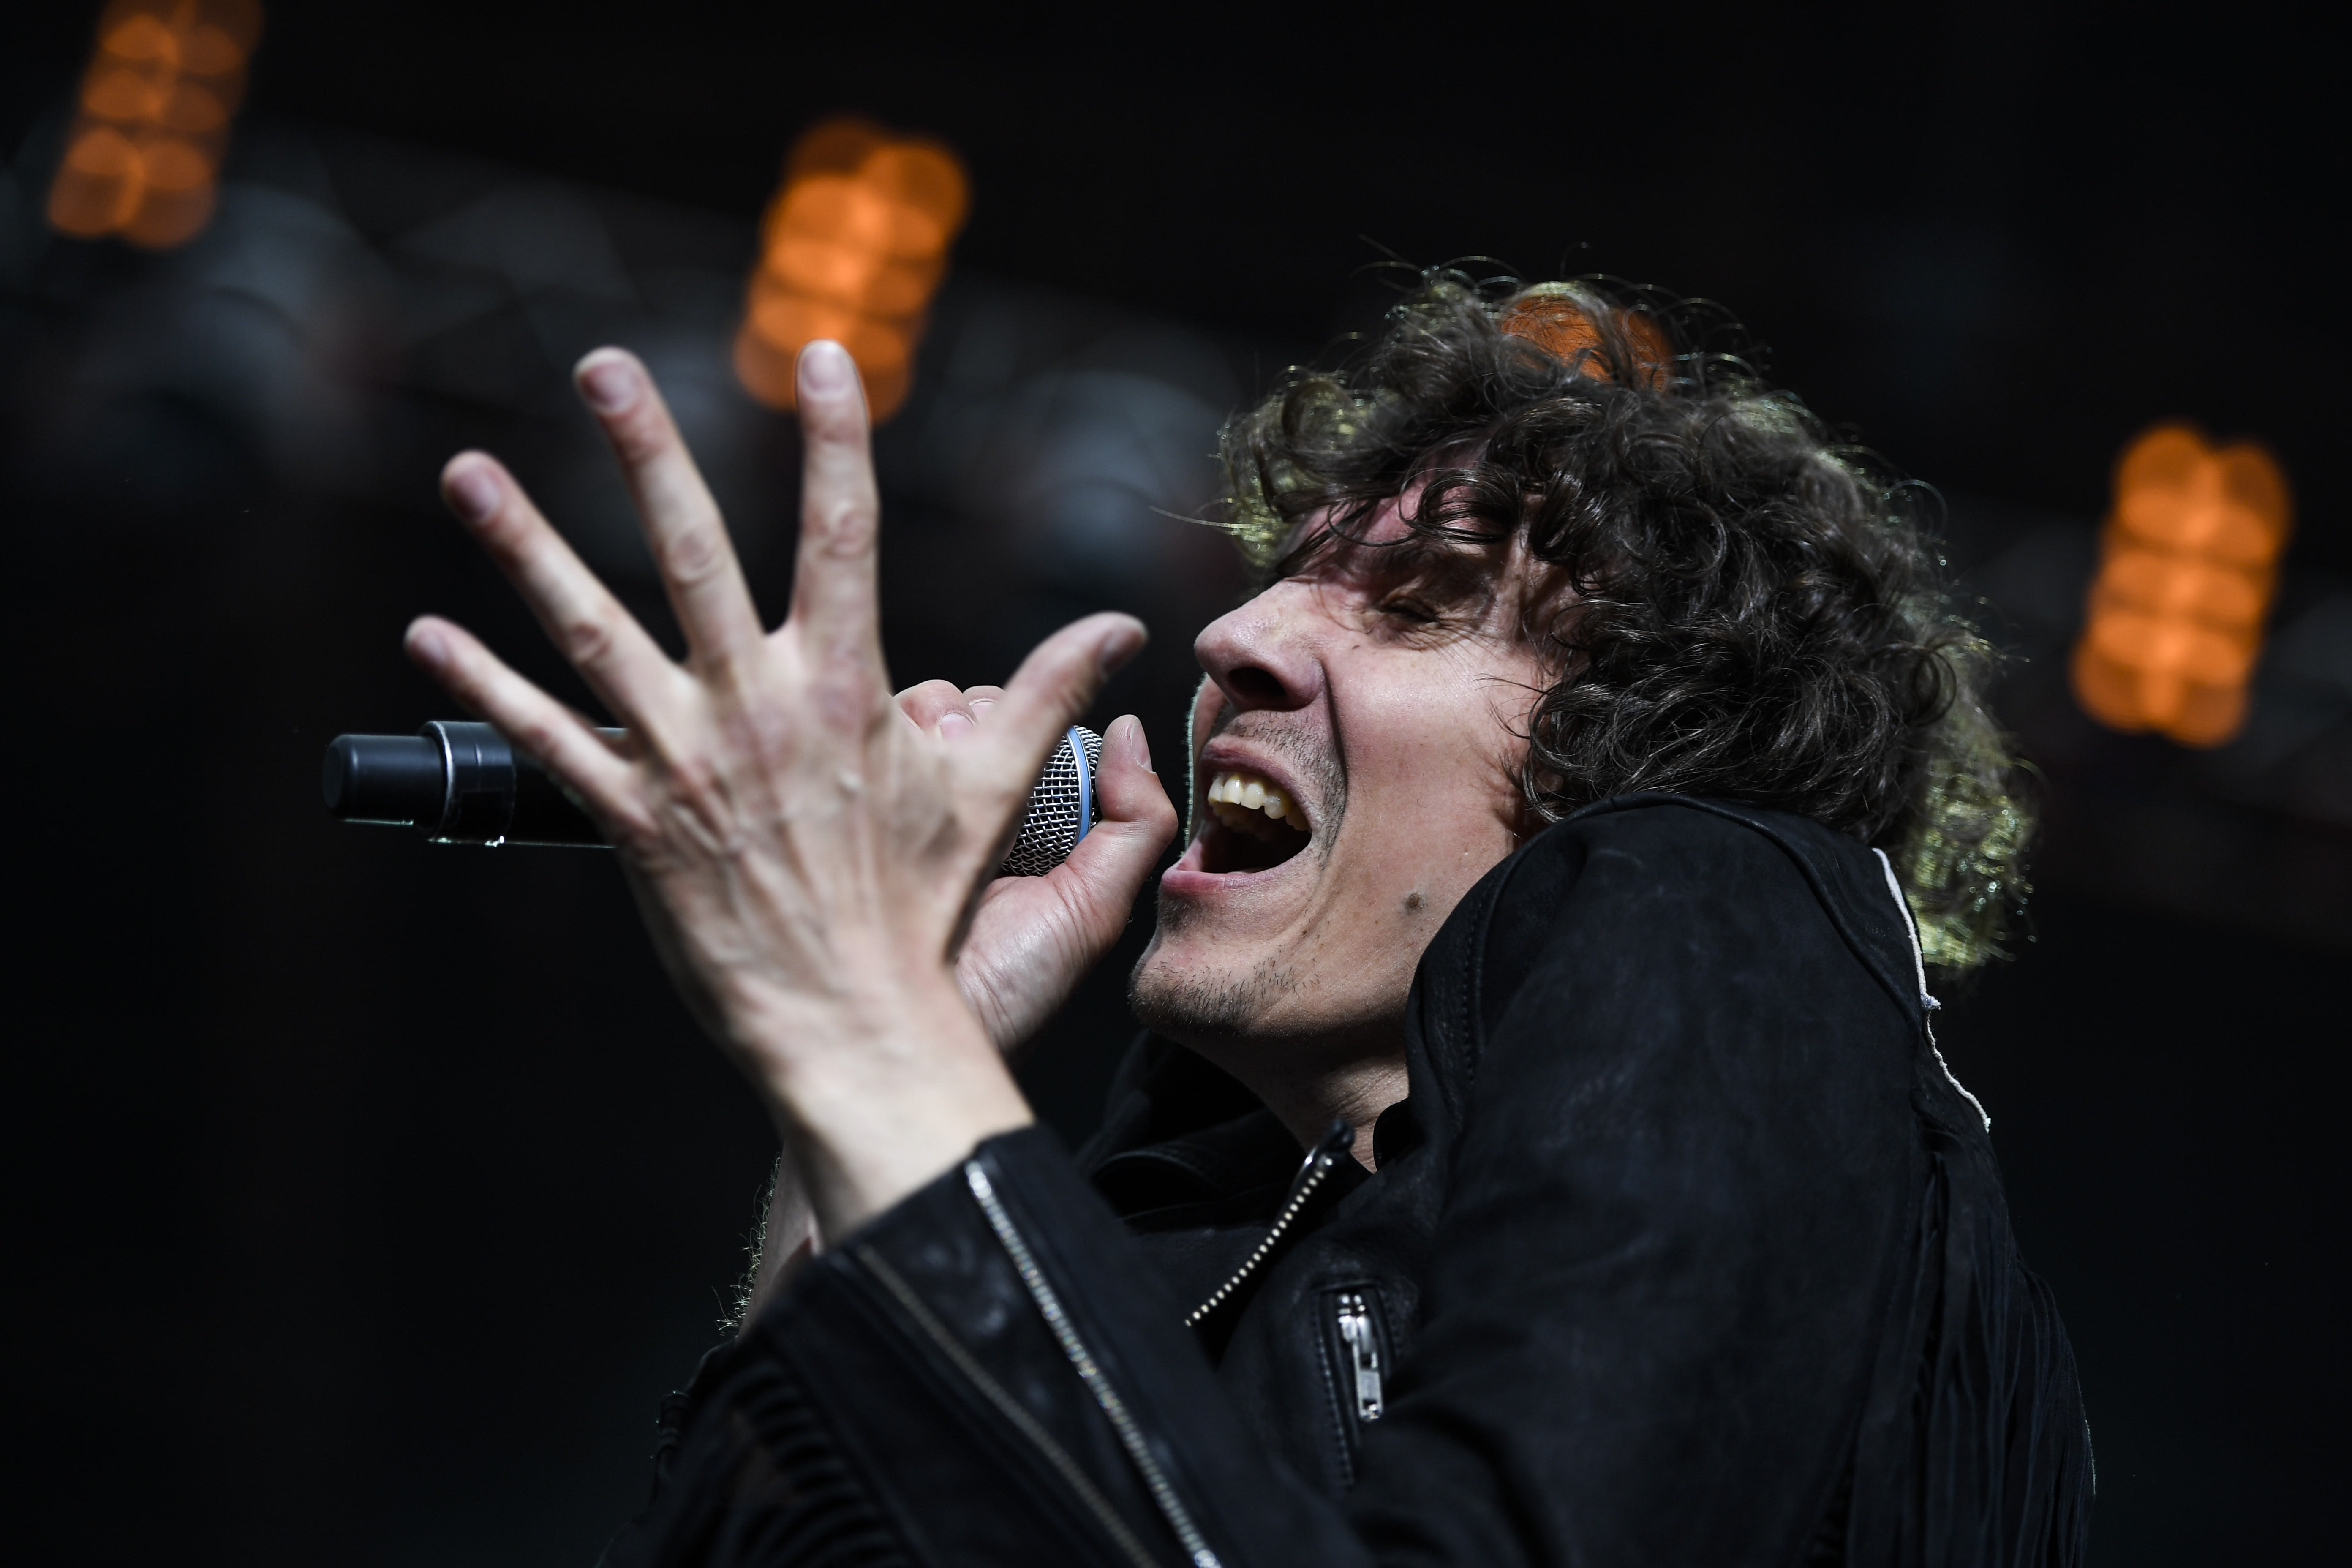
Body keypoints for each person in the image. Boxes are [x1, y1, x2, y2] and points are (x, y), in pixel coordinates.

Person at [402, 272, 2091, 1567]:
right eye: (1280, 576)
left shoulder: (1715, 897)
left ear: (1632, 758)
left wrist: (866, 1032)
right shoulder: (1179, 1239)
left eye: (1418, 604)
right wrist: (889, 1062)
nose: (1237, 639)